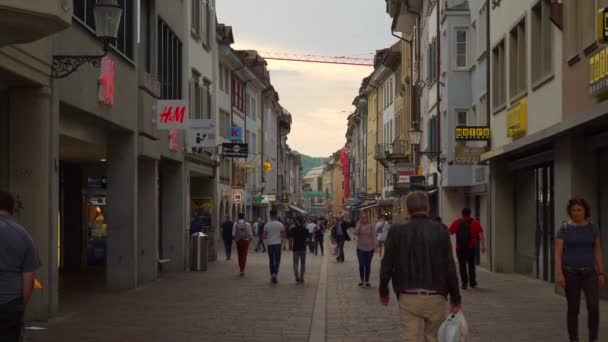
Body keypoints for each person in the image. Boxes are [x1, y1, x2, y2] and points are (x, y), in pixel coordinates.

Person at [379, 191, 461, 342]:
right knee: (434, 338)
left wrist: (383, 291)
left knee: (409, 337)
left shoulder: (396, 231)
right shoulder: (441, 230)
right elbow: (449, 266)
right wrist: (456, 299)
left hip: (408, 295)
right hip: (436, 295)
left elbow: (386, 265)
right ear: (428, 208)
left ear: (408, 209)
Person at [555, 198, 605, 342]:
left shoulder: (593, 228)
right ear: (570, 212)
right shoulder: (564, 229)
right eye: (573, 210)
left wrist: (601, 272)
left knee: (593, 306)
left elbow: (597, 251)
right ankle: (574, 338)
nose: (576, 213)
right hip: (570, 273)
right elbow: (558, 253)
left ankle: (593, 337)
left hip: (590, 272)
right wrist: (559, 274)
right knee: (573, 308)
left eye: (579, 210)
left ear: (585, 211)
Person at [0, 191, 41, 341]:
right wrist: (19, 305)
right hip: (11, 304)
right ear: (12, 210)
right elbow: (29, 279)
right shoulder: (24, 236)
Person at [448, 208, 486, 289]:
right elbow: (481, 235)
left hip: (460, 248)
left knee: (462, 266)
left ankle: (464, 284)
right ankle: (472, 283)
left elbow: (449, 232)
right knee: (471, 265)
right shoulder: (475, 222)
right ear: (470, 213)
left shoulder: (457, 222)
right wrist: (483, 246)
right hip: (471, 248)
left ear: (462, 213)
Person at [354, 213, 377, 287]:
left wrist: (375, 247)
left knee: (367, 265)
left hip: (370, 249)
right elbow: (355, 233)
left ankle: (367, 280)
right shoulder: (359, 226)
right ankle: (361, 280)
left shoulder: (371, 226)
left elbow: (374, 236)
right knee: (361, 264)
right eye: (362, 218)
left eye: (365, 218)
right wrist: (358, 226)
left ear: (367, 218)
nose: (364, 219)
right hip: (360, 248)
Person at [264, 209, 286, 283]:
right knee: (277, 260)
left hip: (270, 244)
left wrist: (269, 237)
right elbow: (284, 234)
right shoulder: (280, 224)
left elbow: (264, 236)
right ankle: (275, 274)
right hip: (277, 244)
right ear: (276, 215)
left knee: (271, 260)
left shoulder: (267, 225)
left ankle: (272, 274)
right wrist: (281, 238)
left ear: (270, 216)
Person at [290, 216, 310, 284]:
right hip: (303, 248)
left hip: (295, 248)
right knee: (303, 263)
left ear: (297, 221)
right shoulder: (305, 229)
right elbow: (307, 240)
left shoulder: (293, 229)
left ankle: (296, 276)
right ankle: (301, 277)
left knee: (295, 263)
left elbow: (290, 238)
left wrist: (290, 246)